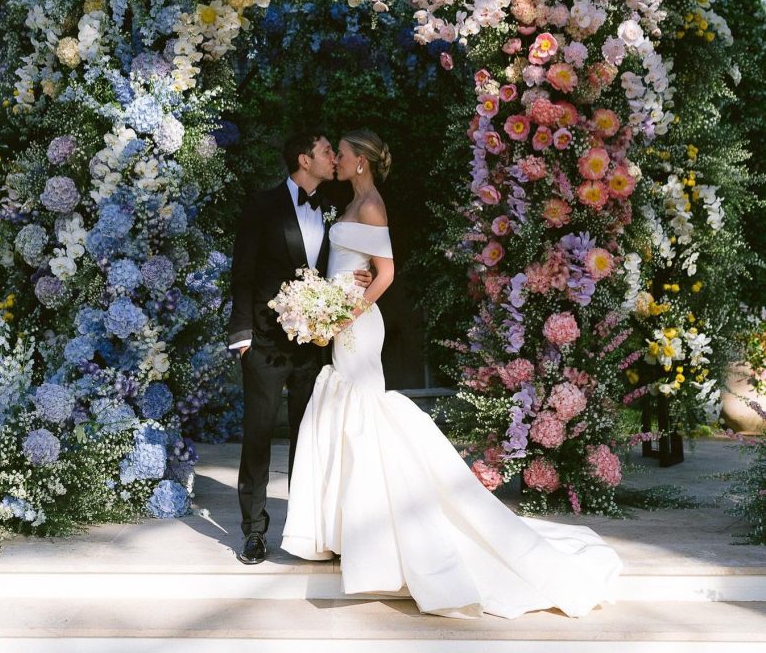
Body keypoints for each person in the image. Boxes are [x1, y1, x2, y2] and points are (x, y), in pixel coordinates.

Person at [281, 128, 622, 619]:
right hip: (340, 318)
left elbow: (386, 273)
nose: (335, 158)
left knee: (363, 414)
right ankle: (345, 531)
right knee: (345, 414)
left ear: (361, 162)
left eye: (344, 153)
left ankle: (380, 534)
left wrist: (346, 311)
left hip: (356, 324)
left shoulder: (372, 204)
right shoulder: (352, 201)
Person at [228, 128, 371, 565]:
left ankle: (304, 529)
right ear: (304, 160)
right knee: (258, 436)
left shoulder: (335, 209)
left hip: (314, 345)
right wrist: (242, 337)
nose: (334, 157)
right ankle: (253, 532)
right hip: (266, 345)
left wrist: (356, 278)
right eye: (327, 151)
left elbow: (339, 265)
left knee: (310, 439)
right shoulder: (262, 207)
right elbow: (243, 274)